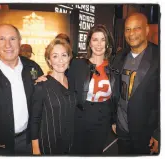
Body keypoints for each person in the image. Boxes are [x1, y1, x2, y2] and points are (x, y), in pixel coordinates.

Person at [0, 24, 43, 155]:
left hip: (28, 143)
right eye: (1, 39)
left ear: (19, 41)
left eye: (12, 38)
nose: (8, 45)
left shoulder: (32, 67)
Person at [111, 13, 160, 155]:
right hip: (122, 129)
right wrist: (114, 120)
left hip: (146, 132)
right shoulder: (119, 57)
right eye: (127, 29)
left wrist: (158, 133)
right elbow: (115, 91)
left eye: (136, 28)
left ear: (146, 30)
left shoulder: (159, 57)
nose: (131, 33)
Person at [68, 24, 115, 155]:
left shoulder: (114, 66)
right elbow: (64, 83)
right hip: (79, 117)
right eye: (95, 39)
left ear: (107, 43)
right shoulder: (77, 64)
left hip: (103, 118)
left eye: (103, 39)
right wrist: (46, 78)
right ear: (89, 43)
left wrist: (114, 120)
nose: (99, 44)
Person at [30, 38, 76, 155]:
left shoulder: (73, 82)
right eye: (55, 56)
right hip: (50, 144)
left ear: (69, 58)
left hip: (71, 141)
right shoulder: (41, 86)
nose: (60, 60)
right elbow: (34, 120)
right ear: (49, 60)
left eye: (64, 55)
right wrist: (36, 150)